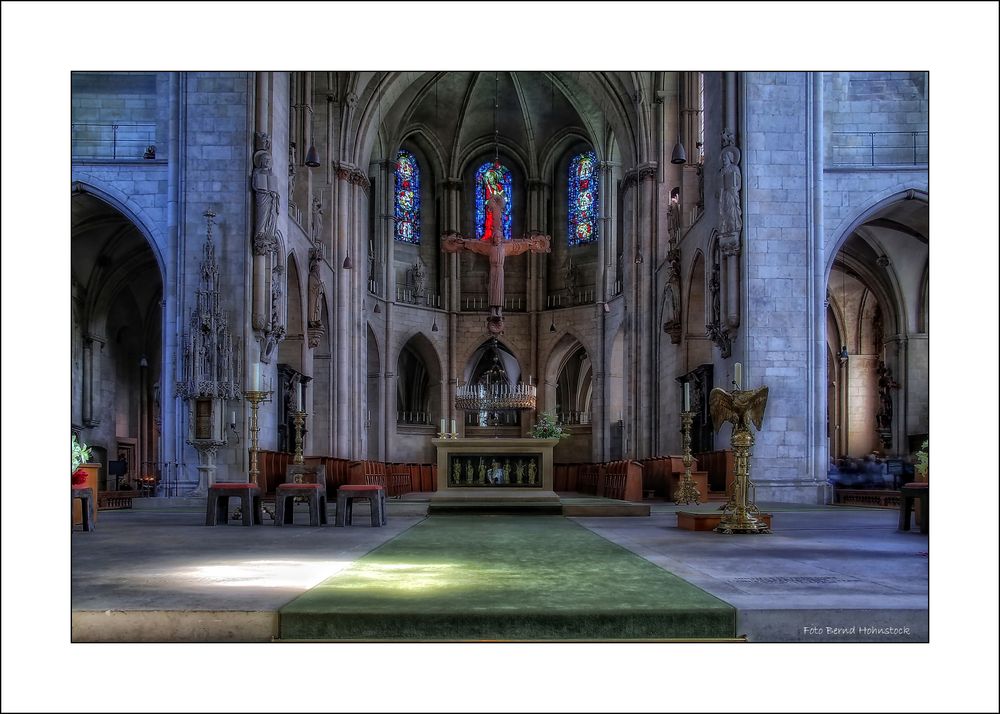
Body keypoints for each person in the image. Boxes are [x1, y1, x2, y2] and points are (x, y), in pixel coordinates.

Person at [719, 146, 742, 235]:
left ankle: (733, 228)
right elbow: (719, 183)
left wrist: (735, 188)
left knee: (732, 211)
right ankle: (727, 228)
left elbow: (739, 183)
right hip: (724, 194)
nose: (724, 160)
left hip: (732, 193)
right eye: (723, 158)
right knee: (724, 212)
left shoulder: (734, 168)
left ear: (730, 158)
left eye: (726, 158)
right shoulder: (722, 171)